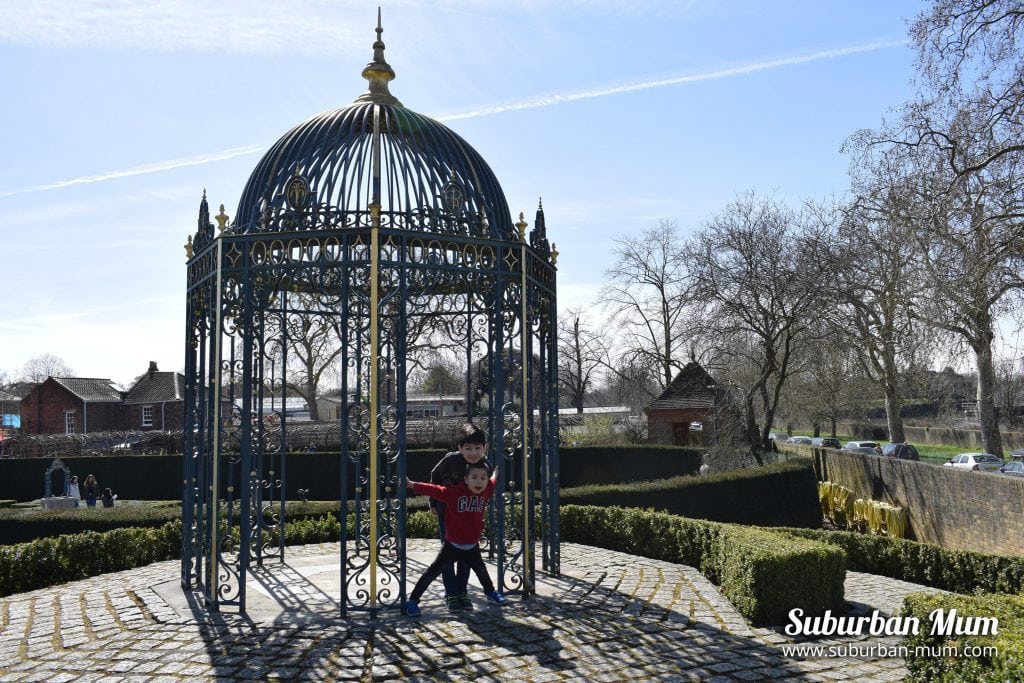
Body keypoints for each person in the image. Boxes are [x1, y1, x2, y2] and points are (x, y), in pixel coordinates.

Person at [404, 461, 507, 617]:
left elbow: (493, 480)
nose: (479, 481)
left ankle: (491, 593)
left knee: (482, 571)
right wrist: (411, 485)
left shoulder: (487, 490)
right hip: (452, 546)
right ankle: (412, 601)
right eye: (474, 477)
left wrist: (495, 473)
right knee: (432, 572)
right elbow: (434, 490)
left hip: (472, 546)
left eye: (482, 478)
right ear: (466, 479)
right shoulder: (454, 492)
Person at [428, 423, 490, 611]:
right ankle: (451, 593)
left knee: (467, 556)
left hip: (469, 516)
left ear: (484, 448)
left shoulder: (484, 464)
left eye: (477, 448)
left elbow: (488, 486)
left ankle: (462, 591)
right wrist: (433, 502)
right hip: (447, 513)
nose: (473, 453)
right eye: (468, 448)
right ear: (460, 448)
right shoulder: (450, 460)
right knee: (447, 555)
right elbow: (434, 475)